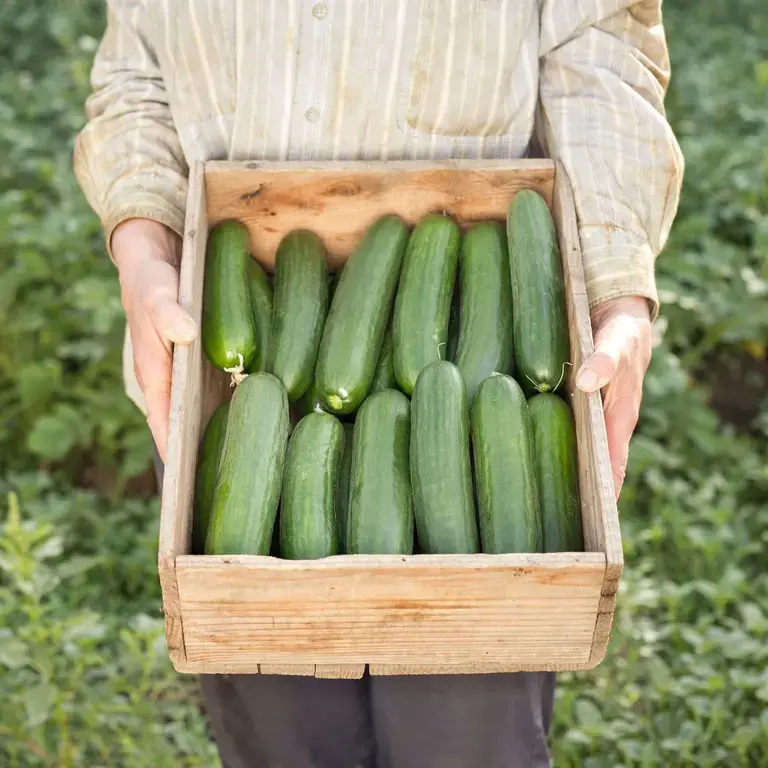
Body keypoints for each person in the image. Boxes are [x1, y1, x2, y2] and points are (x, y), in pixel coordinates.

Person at [74, 2, 683, 766]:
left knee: (464, 743)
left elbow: (604, 41)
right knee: (282, 740)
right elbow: (136, 69)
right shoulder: (260, 376)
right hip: (217, 371)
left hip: (435, 333)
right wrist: (143, 245)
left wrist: (619, 286)